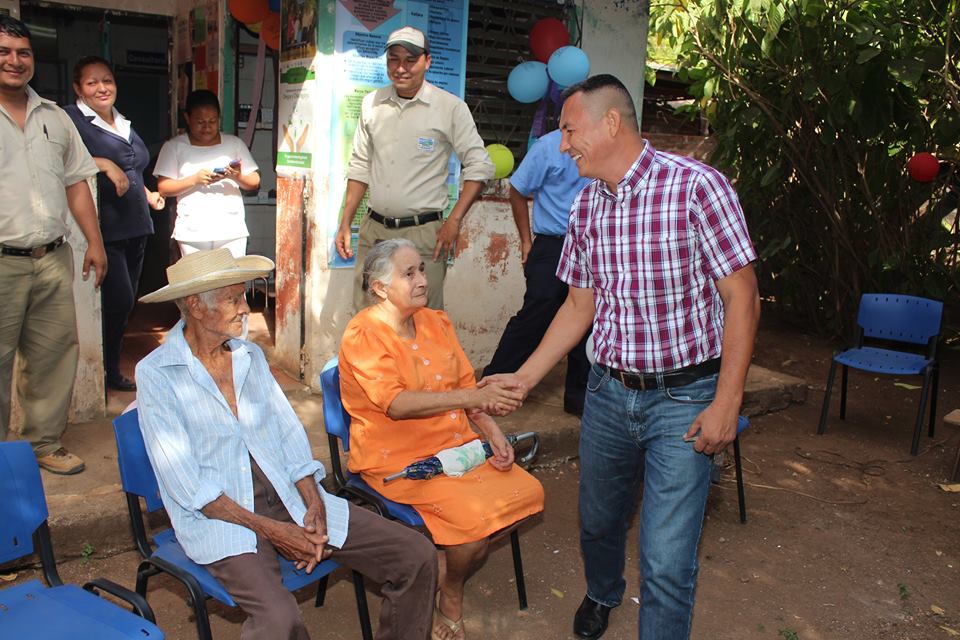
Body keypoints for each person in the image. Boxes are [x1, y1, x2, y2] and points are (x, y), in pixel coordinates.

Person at [481, 75, 761, 639]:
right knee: (599, 523)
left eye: (568, 130)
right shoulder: (586, 206)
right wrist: (525, 377)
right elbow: (579, 306)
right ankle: (603, 591)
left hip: (684, 401)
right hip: (608, 394)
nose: (563, 145)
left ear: (611, 123)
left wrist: (727, 399)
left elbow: (743, 297)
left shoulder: (697, 187)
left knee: (667, 559)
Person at [136, 248, 437, 640]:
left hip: (289, 496)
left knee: (416, 556)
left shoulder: (250, 357)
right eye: (234, 299)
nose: (245, 309)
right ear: (195, 306)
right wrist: (277, 533)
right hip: (224, 518)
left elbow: (290, 435)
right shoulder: (157, 374)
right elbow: (190, 488)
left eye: (243, 295)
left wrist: (313, 503)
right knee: (279, 623)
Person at [338, 239, 544, 640]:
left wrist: (495, 435)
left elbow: (467, 386)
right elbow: (396, 404)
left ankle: (441, 567)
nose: (421, 279)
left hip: (457, 450)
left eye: (421, 269)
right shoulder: (363, 334)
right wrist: (474, 397)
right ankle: (450, 591)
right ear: (379, 287)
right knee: (474, 525)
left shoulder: (436, 322)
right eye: (408, 273)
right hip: (398, 460)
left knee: (528, 495)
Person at [0, 17, 107, 475]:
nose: (14, 60)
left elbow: (77, 183)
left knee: (52, 353)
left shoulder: (55, 116)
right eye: (4, 50)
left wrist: (95, 243)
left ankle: (42, 443)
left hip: (52, 257)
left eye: (23, 52)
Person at [334, 26, 494, 311]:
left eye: (410, 60)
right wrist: (346, 221)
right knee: (369, 314)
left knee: (423, 318)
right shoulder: (372, 104)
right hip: (374, 231)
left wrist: (454, 221)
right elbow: (360, 165)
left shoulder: (450, 108)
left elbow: (479, 166)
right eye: (394, 59)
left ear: (427, 61)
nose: (401, 68)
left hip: (423, 236)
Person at [64, 56, 164, 393]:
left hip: (137, 226)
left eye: (106, 80)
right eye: (91, 82)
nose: (101, 87)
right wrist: (102, 162)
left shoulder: (122, 121)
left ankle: (108, 367)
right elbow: (58, 159)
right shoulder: (71, 119)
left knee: (125, 302)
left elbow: (133, 168)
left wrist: (148, 194)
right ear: (78, 88)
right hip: (103, 229)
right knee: (118, 301)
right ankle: (104, 372)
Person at [482, 128, 592, 416]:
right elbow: (517, 190)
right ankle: (493, 384)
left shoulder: (601, 147)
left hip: (594, 245)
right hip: (553, 245)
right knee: (535, 315)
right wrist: (526, 241)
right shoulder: (548, 146)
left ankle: (578, 399)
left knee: (590, 320)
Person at [154, 89, 259, 259]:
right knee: (199, 283)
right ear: (187, 118)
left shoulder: (234, 144)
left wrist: (236, 176)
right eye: (200, 122)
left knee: (231, 282)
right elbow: (164, 188)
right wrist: (194, 180)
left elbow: (254, 181)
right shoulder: (174, 147)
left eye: (212, 121)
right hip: (192, 232)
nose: (207, 127)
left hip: (231, 230)